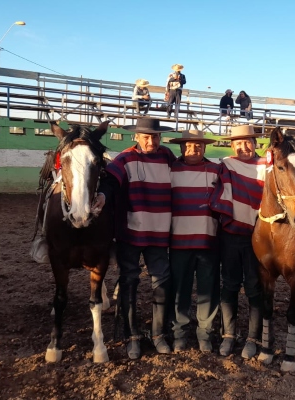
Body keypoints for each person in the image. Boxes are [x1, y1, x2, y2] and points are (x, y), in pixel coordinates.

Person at [105, 117, 175, 359]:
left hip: (159, 233)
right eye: (146, 136)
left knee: (162, 282)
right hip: (130, 233)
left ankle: (158, 334)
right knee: (129, 281)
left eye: (155, 136)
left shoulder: (167, 157)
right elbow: (109, 181)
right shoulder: (124, 159)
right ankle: (131, 335)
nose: (151, 141)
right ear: (136, 136)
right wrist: (102, 197)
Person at [209, 125, 266, 359]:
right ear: (232, 146)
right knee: (230, 284)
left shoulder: (268, 167)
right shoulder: (226, 165)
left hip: (259, 236)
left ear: (255, 143)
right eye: (238, 143)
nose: (244, 147)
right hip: (231, 234)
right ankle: (228, 335)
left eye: (248, 142)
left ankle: (253, 338)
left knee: (254, 287)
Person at [168, 130, 220, 353]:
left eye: (198, 146)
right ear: (181, 148)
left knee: (208, 289)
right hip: (179, 241)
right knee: (180, 289)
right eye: (189, 146)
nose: (193, 150)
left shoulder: (217, 171)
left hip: (208, 242)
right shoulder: (171, 170)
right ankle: (179, 333)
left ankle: (204, 333)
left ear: (204, 148)